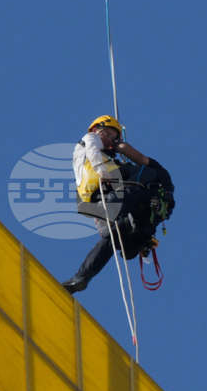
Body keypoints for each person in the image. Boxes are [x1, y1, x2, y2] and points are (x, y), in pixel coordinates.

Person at [62, 116, 175, 294]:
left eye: (112, 137)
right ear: (94, 130)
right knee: (148, 173)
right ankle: (127, 214)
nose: (107, 138)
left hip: (99, 198)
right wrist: (101, 169)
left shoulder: (109, 159)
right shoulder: (90, 139)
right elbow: (92, 150)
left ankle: (82, 276)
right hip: (107, 187)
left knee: (113, 238)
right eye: (105, 133)